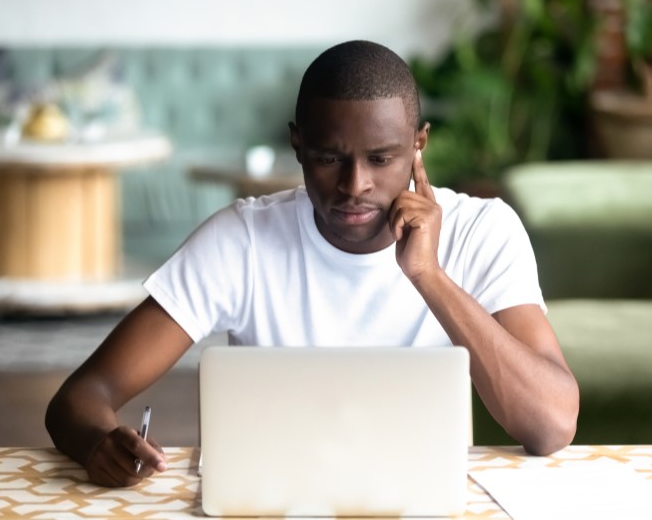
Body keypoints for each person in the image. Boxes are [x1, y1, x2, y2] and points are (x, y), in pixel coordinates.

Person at [46, 40, 579, 488]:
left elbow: (552, 424)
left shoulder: (483, 232)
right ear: (297, 144)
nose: (355, 186)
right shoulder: (244, 241)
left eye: (381, 158)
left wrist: (428, 276)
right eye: (329, 158)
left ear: (419, 146)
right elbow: (81, 397)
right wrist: (99, 442)